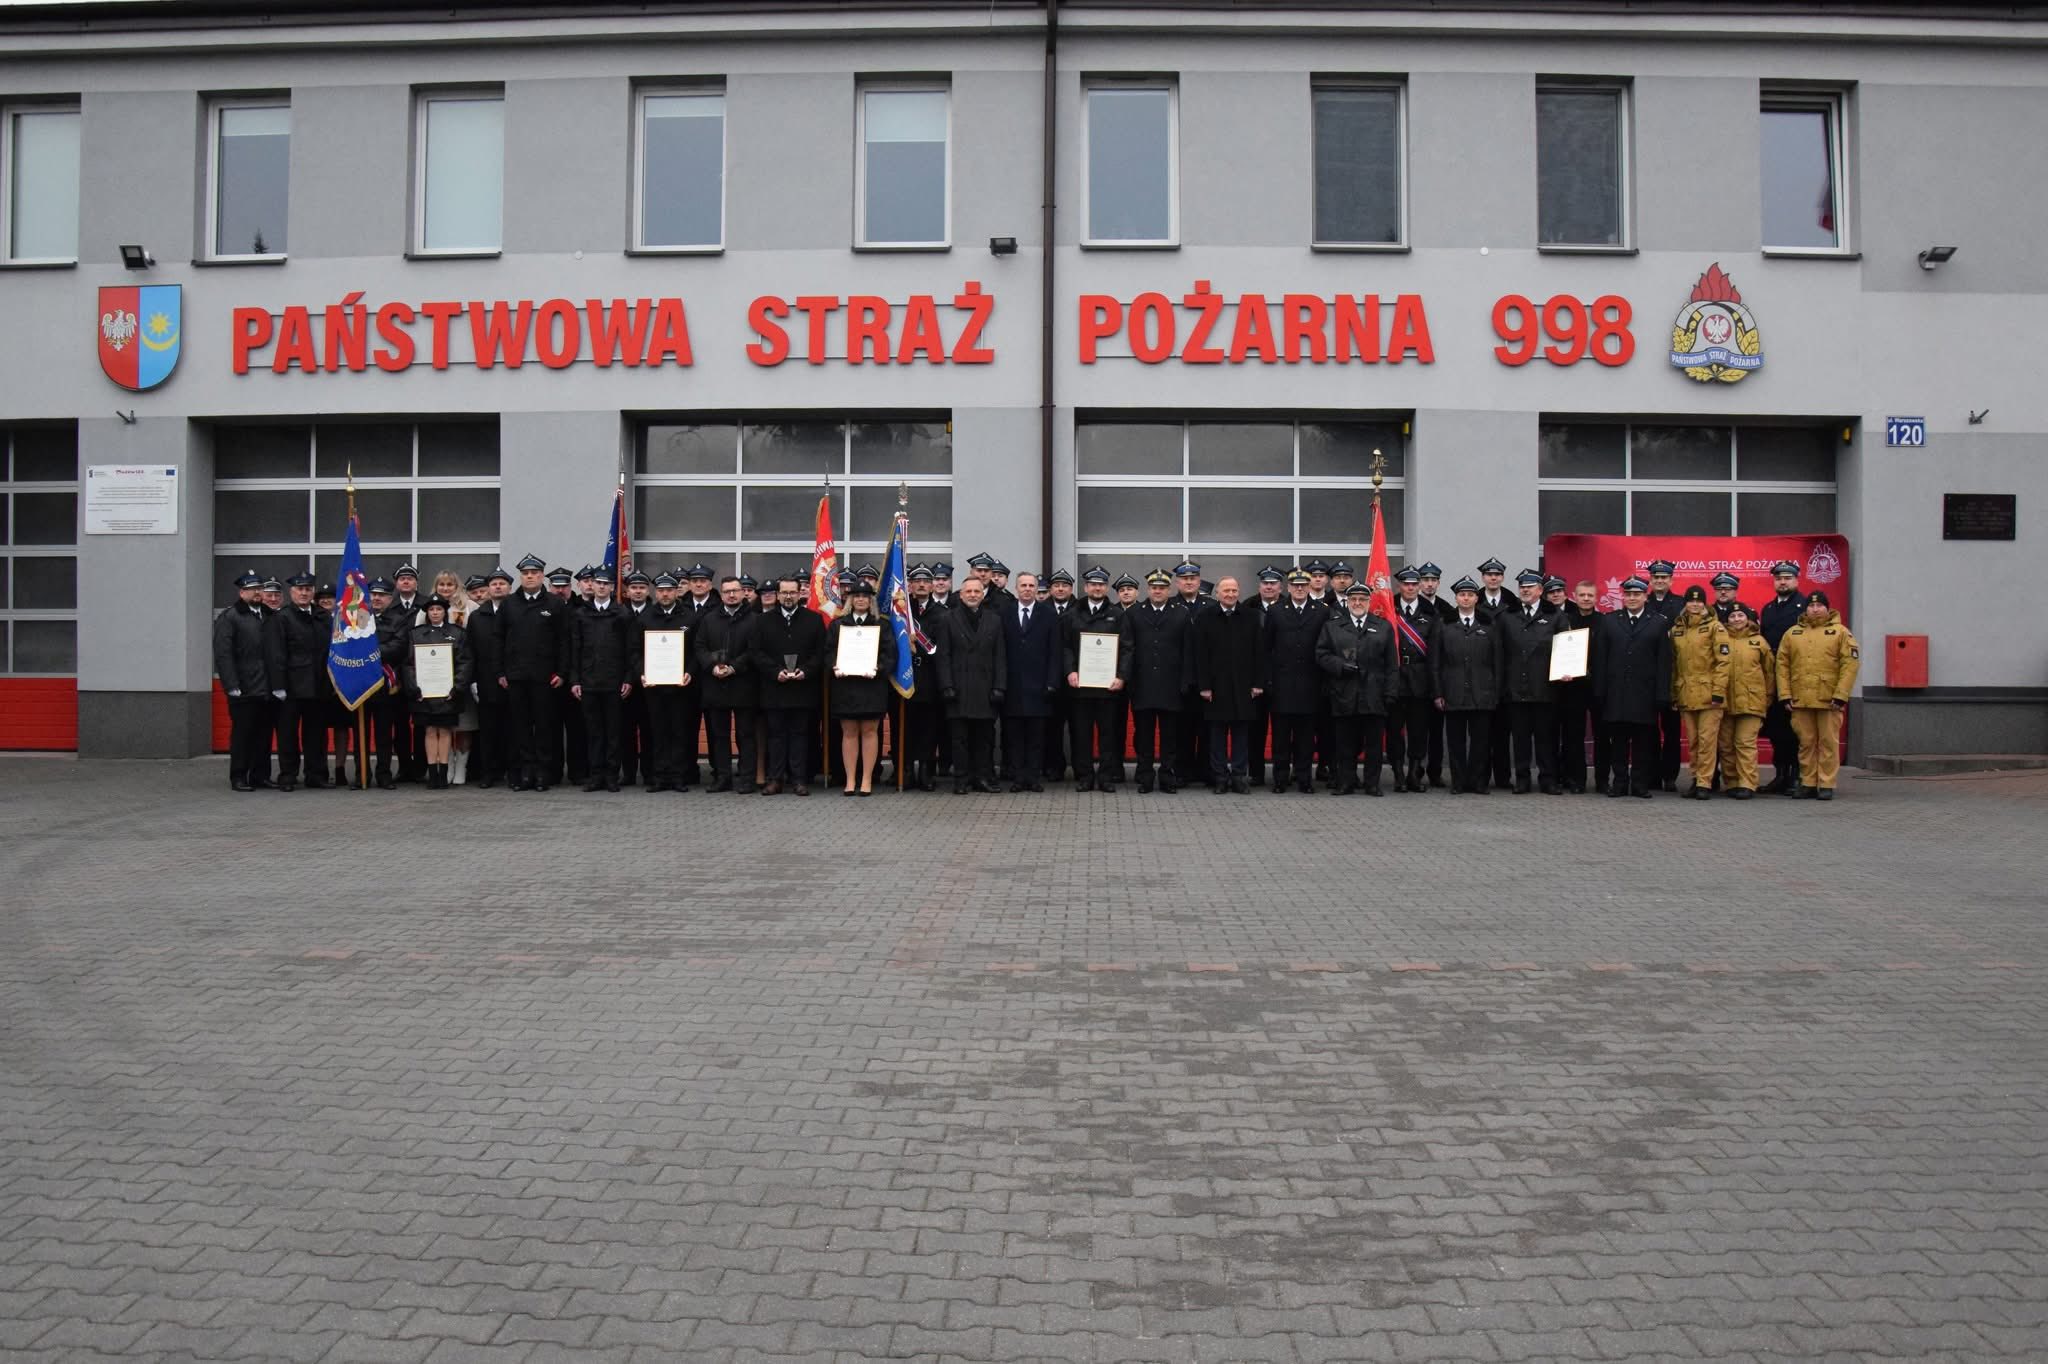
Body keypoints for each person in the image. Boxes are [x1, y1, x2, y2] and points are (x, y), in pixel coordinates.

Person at [1591, 575, 1673, 798]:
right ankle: (1619, 783)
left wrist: (1662, 694)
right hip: (1616, 693)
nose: (1632, 598)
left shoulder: (1658, 622)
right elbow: (1600, 660)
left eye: (1636, 594)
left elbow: (1664, 662)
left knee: (1642, 744)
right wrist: (1599, 691)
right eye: (1628, 594)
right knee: (1618, 743)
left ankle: (1639, 784)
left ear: (1645, 596)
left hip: (1644, 694)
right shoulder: (1609, 621)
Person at [1776, 590, 1860, 801]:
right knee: (1806, 743)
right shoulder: (1792, 633)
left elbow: (1850, 665)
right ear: (1805, 609)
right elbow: (1782, 666)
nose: (1815, 609)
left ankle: (1826, 783)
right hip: (1800, 699)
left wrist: (1841, 695)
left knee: (1828, 743)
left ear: (1827, 608)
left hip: (1828, 700)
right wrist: (1785, 694)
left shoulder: (1840, 633)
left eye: (1819, 606)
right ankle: (1808, 783)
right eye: (1811, 606)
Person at [1316, 580, 1396, 795]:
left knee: (1374, 745)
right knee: (1345, 744)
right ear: (1347, 601)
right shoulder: (1333, 626)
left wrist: (1390, 692)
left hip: (1374, 694)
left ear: (1369, 602)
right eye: (1353, 599)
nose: (1358, 603)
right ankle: (1346, 782)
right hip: (1344, 693)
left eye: (1362, 599)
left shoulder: (1383, 626)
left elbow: (1391, 664)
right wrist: (1340, 666)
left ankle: (1372, 784)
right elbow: (1321, 654)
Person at [1120, 569, 1195, 794]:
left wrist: (1186, 681)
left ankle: (1167, 777)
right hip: (1142, 686)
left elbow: (1188, 651)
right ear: (1148, 590)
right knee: (1144, 736)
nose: (1158, 591)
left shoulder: (1181, 613)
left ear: (1169, 590)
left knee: (1170, 737)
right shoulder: (1134, 613)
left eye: (1162, 588)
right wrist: (1127, 679)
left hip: (1171, 686)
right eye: (1154, 588)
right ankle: (1145, 777)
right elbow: (1127, 648)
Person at [1191, 577, 1266, 794]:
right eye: (1226, 590)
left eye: (1234, 590)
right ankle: (1220, 777)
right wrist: (1204, 686)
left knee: (1242, 735)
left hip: (1244, 687)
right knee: (1217, 735)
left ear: (1239, 592)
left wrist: (1258, 683)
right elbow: (1200, 655)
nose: (1230, 594)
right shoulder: (1205, 617)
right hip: (1216, 688)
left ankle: (1239, 776)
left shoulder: (1251, 617)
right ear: (1217, 594)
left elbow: (1259, 653)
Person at [501, 554, 568, 792]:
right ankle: (524, 772)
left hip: (544, 677)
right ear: (520, 576)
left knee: (544, 726)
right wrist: (500, 672)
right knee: (520, 726)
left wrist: (561, 671)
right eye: (525, 573)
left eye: (534, 573)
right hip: (516, 676)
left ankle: (542, 773)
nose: (530, 577)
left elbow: (564, 641)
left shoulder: (554, 603)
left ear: (542, 576)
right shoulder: (509, 604)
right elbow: (498, 639)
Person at [752, 577, 825, 796]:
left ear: (800, 593)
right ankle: (775, 780)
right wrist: (775, 671)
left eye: (793, 592)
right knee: (775, 736)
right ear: (777, 595)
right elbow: (756, 652)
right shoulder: (763, 621)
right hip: (775, 688)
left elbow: (820, 653)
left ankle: (799, 780)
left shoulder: (813, 620)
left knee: (800, 735)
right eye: (784, 592)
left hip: (803, 688)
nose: (788, 597)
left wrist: (806, 671)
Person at [936, 576, 1005, 793]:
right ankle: (961, 779)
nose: (973, 595)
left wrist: (999, 686)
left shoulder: (994, 620)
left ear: (983, 595)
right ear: (961, 594)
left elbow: (1000, 656)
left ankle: (982, 777)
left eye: (977, 591)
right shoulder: (947, 619)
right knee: (959, 740)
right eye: (969, 591)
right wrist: (946, 685)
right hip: (958, 689)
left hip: (985, 689)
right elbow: (943, 656)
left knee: (984, 739)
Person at [1435, 576, 1502, 795]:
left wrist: (1496, 691)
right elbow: (1435, 662)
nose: (1466, 598)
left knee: (1481, 742)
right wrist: (1438, 692)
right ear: (1456, 598)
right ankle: (1458, 782)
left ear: (1476, 598)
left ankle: (1478, 782)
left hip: (1482, 692)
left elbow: (1497, 661)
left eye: (1470, 595)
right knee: (1456, 742)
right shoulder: (1443, 623)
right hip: (1453, 691)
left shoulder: (1488, 624)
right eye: (1462, 595)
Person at [828, 579, 896, 796]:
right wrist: (834, 666)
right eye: (856, 596)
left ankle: (866, 779)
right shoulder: (838, 625)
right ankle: (850, 780)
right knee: (849, 732)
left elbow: (890, 655)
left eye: (865, 596)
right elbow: (828, 652)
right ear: (850, 600)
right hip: (845, 686)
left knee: (869, 731)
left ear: (871, 601)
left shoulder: (882, 625)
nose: (860, 600)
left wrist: (878, 668)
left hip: (872, 686)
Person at [264, 572, 330, 792]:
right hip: (291, 687)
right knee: (288, 735)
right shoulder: (282, 618)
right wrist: (278, 685)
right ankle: (288, 776)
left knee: (316, 734)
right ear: (292, 592)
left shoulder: (323, 616)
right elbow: (276, 654)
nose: (304, 593)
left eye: (308, 589)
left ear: (313, 592)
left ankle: (316, 775)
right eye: (300, 589)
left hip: (318, 685)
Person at [1264, 568, 1327, 794]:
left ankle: (1304, 780)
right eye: (1295, 585)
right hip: (1282, 685)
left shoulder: (1321, 611)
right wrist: (1268, 681)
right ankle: (1280, 780)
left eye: (1303, 585)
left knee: (1305, 739)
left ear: (1309, 587)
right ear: (1288, 587)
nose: (1299, 589)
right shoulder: (1276, 610)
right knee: (1281, 738)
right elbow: (1266, 647)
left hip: (1310, 685)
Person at [570, 568, 633, 792]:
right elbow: (575, 649)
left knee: (614, 732)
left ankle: (612, 775)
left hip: (614, 682)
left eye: (606, 583)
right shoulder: (581, 614)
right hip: (588, 682)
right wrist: (575, 680)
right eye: (598, 582)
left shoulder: (622, 613)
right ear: (592, 585)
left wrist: (628, 678)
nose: (602, 586)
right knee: (594, 732)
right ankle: (596, 775)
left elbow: (630, 649)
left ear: (612, 587)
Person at [998, 572, 1062, 793]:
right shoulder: (1004, 613)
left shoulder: (1049, 614)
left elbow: (1055, 652)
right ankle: (1018, 778)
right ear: (1016, 588)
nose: (1027, 589)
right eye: (1023, 585)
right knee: (1014, 738)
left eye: (1031, 586)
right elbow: (999, 651)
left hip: (1040, 687)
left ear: (1037, 589)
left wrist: (1052, 682)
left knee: (1036, 738)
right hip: (1012, 687)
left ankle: (1033, 778)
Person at [1496, 569, 1559, 794]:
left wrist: (1567, 670)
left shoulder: (1554, 615)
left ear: (1540, 590)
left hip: (1545, 688)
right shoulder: (1507, 616)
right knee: (1520, 739)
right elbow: (1499, 653)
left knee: (1545, 739)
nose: (1525, 590)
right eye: (1522, 587)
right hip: (1516, 688)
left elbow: (1566, 647)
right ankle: (1522, 779)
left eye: (1530, 587)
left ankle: (1547, 779)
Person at [1062, 567, 1124, 792]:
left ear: (1106, 588)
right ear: (1086, 587)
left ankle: (1106, 777)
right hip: (1080, 687)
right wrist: (1070, 671)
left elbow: (1127, 648)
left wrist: (1121, 676)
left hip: (1108, 688)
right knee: (1081, 735)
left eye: (1101, 585)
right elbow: (1065, 647)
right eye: (1093, 584)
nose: (1097, 588)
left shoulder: (1118, 615)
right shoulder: (1072, 614)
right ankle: (1085, 776)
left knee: (1108, 735)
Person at [213, 570, 275, 791]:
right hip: (244, 688)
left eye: (259, 588)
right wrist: (231, 685)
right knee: (242, 735)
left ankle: (260, 776)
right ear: (242, 593)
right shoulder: (230, 617)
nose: (257, 592)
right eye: (251, 589)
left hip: (267, 687)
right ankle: (239, 776)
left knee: (264, 735)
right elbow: (223, 653)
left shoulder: (269, 615)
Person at [402, 597, 473, 788]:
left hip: (448, 693)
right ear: (427, 612)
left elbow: (465, 662)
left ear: (445, 612)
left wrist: (457, 688)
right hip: (424, 694)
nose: (435, 612)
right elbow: (408, 664)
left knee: (445, 730)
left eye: (439, 609)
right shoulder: (415, 634)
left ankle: (443, 773)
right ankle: (433, 773)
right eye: (431, 609)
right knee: (430, 731)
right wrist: (414, 688)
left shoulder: (457, 633)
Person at [1669, 585, 1731, 799]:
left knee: (1707, 741)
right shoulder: (1677, 629)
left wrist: (1718, 692)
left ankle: (1705, 783)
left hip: (1709, 695)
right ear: (1685, 603)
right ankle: (1696, 779)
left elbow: (1724, 662)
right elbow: (1674, 665)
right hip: (1686, 693)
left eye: (1699, 601)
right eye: (1691, 601)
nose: (1694, 605)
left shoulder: (1715, 627)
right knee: (1693, 741)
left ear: (1704, 603)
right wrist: (1674, 693)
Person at [634, 573, 693, 792]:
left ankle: (678, 777)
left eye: (669, 590)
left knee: (679, 731)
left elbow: (696, 651)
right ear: (655, 593)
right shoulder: (645, 618)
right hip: (654, 687)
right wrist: (642, 672)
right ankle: (659, 776)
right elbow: (635, 651)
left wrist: (690, 672)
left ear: (677, 592)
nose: (665, 594)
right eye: (661, 590)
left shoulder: (689, 618)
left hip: (680, 687)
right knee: (657, 732)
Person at [1383, 567, 1437, 794]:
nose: (1411, 588)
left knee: (1418, 731)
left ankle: (1414, 773)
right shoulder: (1388, 607)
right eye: (1406, 584)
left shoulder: (1430, 611)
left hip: (1420, 680)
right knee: (1394, 731)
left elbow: (1434, 652)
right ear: (1399, 586)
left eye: (1415, 584)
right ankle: (1398, 774)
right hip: (1395, 678)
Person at [1716, 602, 1775, 800]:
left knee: (1745, 743)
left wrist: (1767, 697)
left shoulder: (1759, 641)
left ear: (1748, 618)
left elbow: (1769, 672)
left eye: (1740, 615)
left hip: (1752, 701)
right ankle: (1732, 782)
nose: (1736, 619)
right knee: (1726, 745)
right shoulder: (1720, 639)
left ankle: (1747, 783)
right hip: (1724, 702)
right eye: (1732, 616)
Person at [1550, 581, 1602, 794]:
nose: (1586, 598)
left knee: (1602, 735)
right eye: (1582, 595)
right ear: (1574, 596)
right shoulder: (1565, 620)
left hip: (1598, 686)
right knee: (1573, 735)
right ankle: (1575, 780)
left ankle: (1602, 781)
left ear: (1596, 597)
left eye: (1590, 595)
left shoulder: (1605, 621)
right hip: (1572, 687)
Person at [1758, 560, 1805, 793]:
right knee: (1776, 728)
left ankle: (1796, 775)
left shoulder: (1804, 607)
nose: (1783, 582)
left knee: (1795, 729)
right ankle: (1781, 774)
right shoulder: (1768, 609)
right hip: (1772, 676)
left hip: (1795, 676)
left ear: (1796, 580)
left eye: (1787, 578)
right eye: (1778, 579)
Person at [467, 567, 514, 789]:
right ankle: (488, 773)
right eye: (494, 584)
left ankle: (512, 771)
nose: (497, 587)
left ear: (510, 588)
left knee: (513, 729)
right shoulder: (477, 617)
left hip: (514, 679)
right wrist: (473, 680)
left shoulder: (517, 611)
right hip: (485, 681)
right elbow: (470, 651)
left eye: (502, 583)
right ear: (488, 589)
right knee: (487, 730)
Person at [1642, 558, 1685, 791]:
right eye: (1656, 577)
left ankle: (1670, 776)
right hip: (1647, 676)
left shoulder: (1681, 604)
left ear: (1671, 580)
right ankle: (1651, 775)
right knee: (1648, 730)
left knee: (1671, 730)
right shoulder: (1642, 601)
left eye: (1664, 577)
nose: (1660, 581)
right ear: (1650, 580)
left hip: (1672, 674)